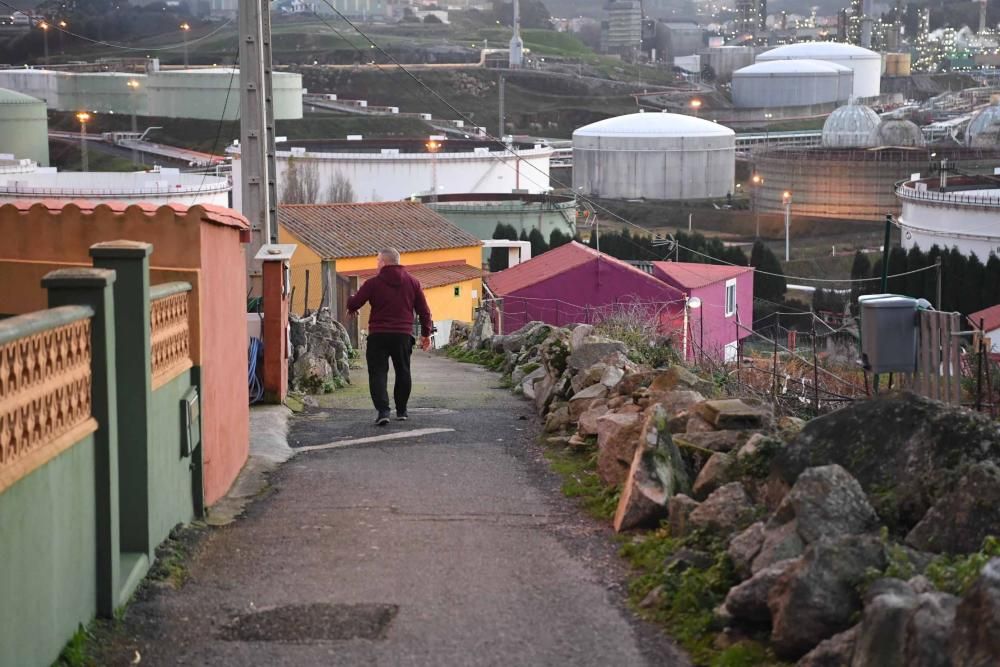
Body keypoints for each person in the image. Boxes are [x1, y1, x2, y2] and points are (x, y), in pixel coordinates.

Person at [347, 248, 432, 426]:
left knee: (378, 372)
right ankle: (401, 411)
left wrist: (352, 304)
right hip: (402, 335)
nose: (376, 264)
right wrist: (426, 334)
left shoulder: (372, 283)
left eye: (378, 261)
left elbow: (355, 303)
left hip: (378, 335)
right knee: (403, 371)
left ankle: (383, 411)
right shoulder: (413, 282)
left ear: (384, 262)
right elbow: (424, 311)